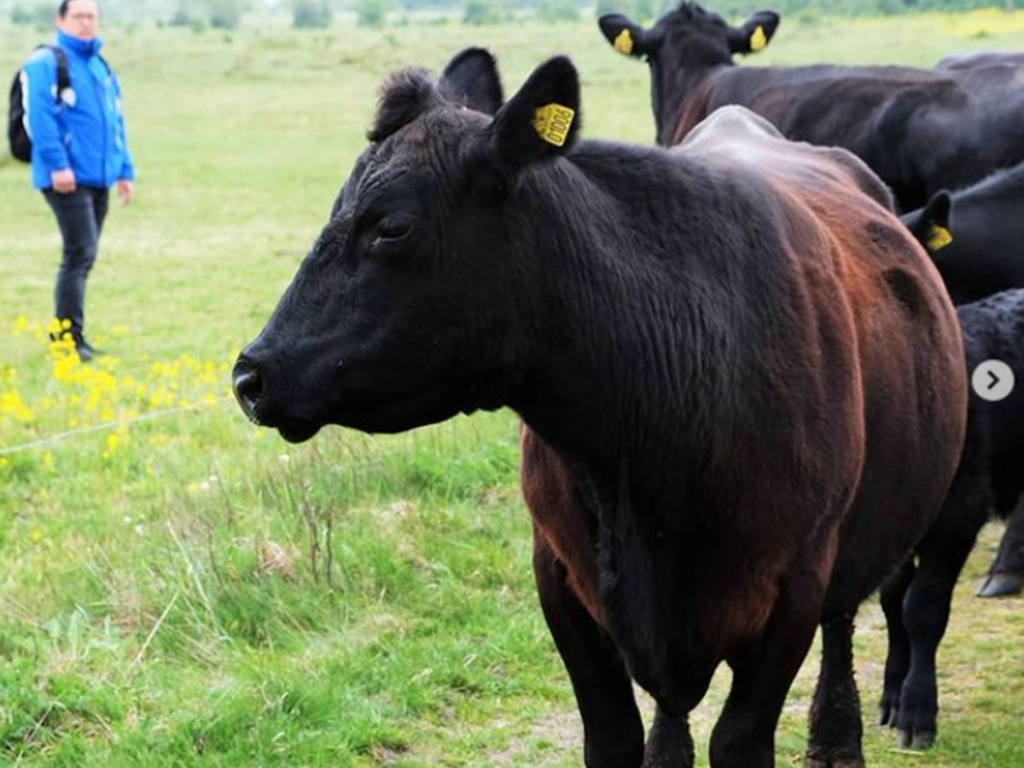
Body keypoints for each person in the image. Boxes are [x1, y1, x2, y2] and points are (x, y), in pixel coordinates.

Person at [21, 0, 134, 361]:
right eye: (79, 16)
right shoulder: (45, 63)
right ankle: (67, 341)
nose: (86, 23)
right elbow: (40, 117)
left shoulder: (100, 66)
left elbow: (115, 122)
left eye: (92, 16)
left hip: (98, 175)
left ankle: (74, 337)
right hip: (66, 177)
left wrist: (124, 170)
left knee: (83, 255)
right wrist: (57, 165)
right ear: (61, 19)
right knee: (79, 252)